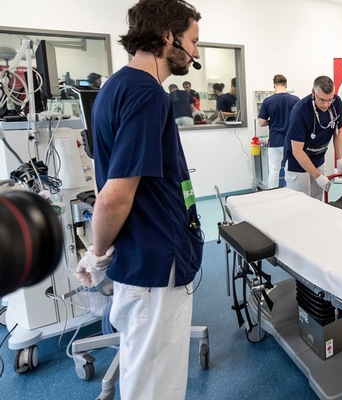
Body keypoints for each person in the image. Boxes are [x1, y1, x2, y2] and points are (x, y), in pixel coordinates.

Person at [73, 1, 205, 399]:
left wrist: (104, 249)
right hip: (156, 262)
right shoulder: (148, 95)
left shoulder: (113, 88)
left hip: (140, 257)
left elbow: (106, 177)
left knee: (140, 370)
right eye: (193, 42)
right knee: (155, 385)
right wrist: (97, 254)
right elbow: (114, 197)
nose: (196, 53)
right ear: (169, 37)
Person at [283, 75, 342, 201]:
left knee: (317, 199)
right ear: (313, 93)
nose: (326, 104)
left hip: (318, 159)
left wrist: (340, 159)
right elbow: (297, 151)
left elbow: (338, 132)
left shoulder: (336, 102)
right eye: (322, 100)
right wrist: (317, 176)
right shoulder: (300, 111)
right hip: (297, 162)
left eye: (330, 100)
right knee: (301, 201)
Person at [257, 74, 299, 189]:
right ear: (286, 84)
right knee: (289, 170)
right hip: (291, 142)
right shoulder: (295, 100)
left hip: (275, 141)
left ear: (274, 85)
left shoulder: (268, 101)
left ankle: (272, 195)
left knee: (274, 170)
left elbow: (261, 122)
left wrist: (272, 121)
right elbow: (300, 120)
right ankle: (291, 194)